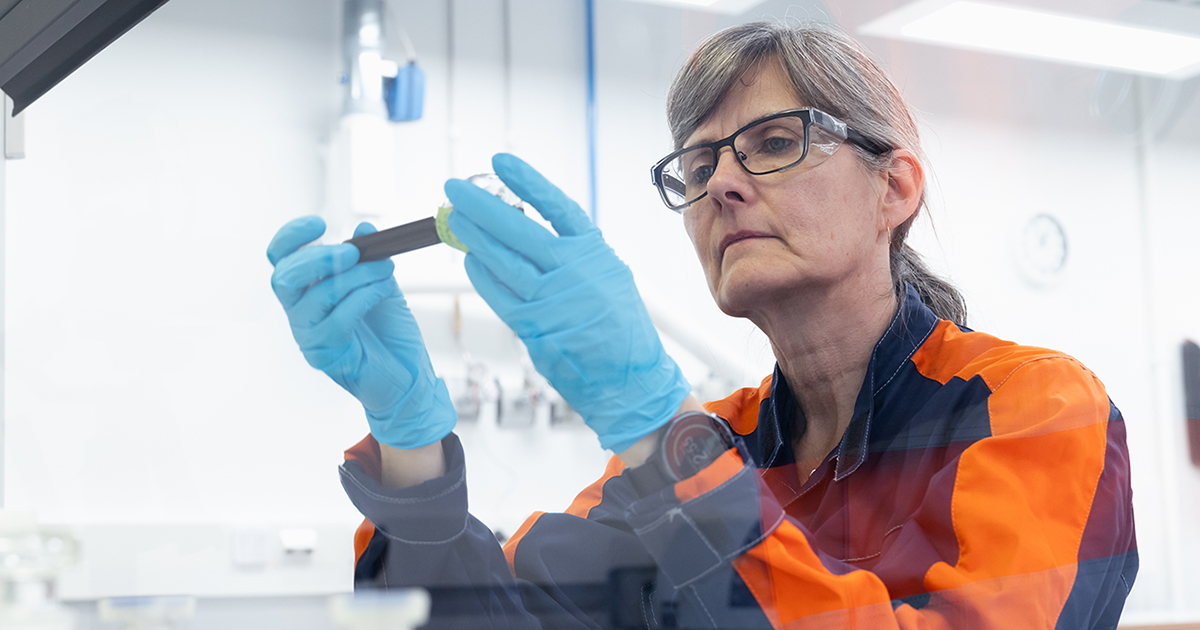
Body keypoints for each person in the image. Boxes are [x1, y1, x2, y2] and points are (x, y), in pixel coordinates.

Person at [267, 20, 1136, 629]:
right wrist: (412, 447)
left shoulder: (1036, 410)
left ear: (895, 188)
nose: (721, 182)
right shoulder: (712, 443)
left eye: (773, 141)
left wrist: (656, 426)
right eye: (698, 160)